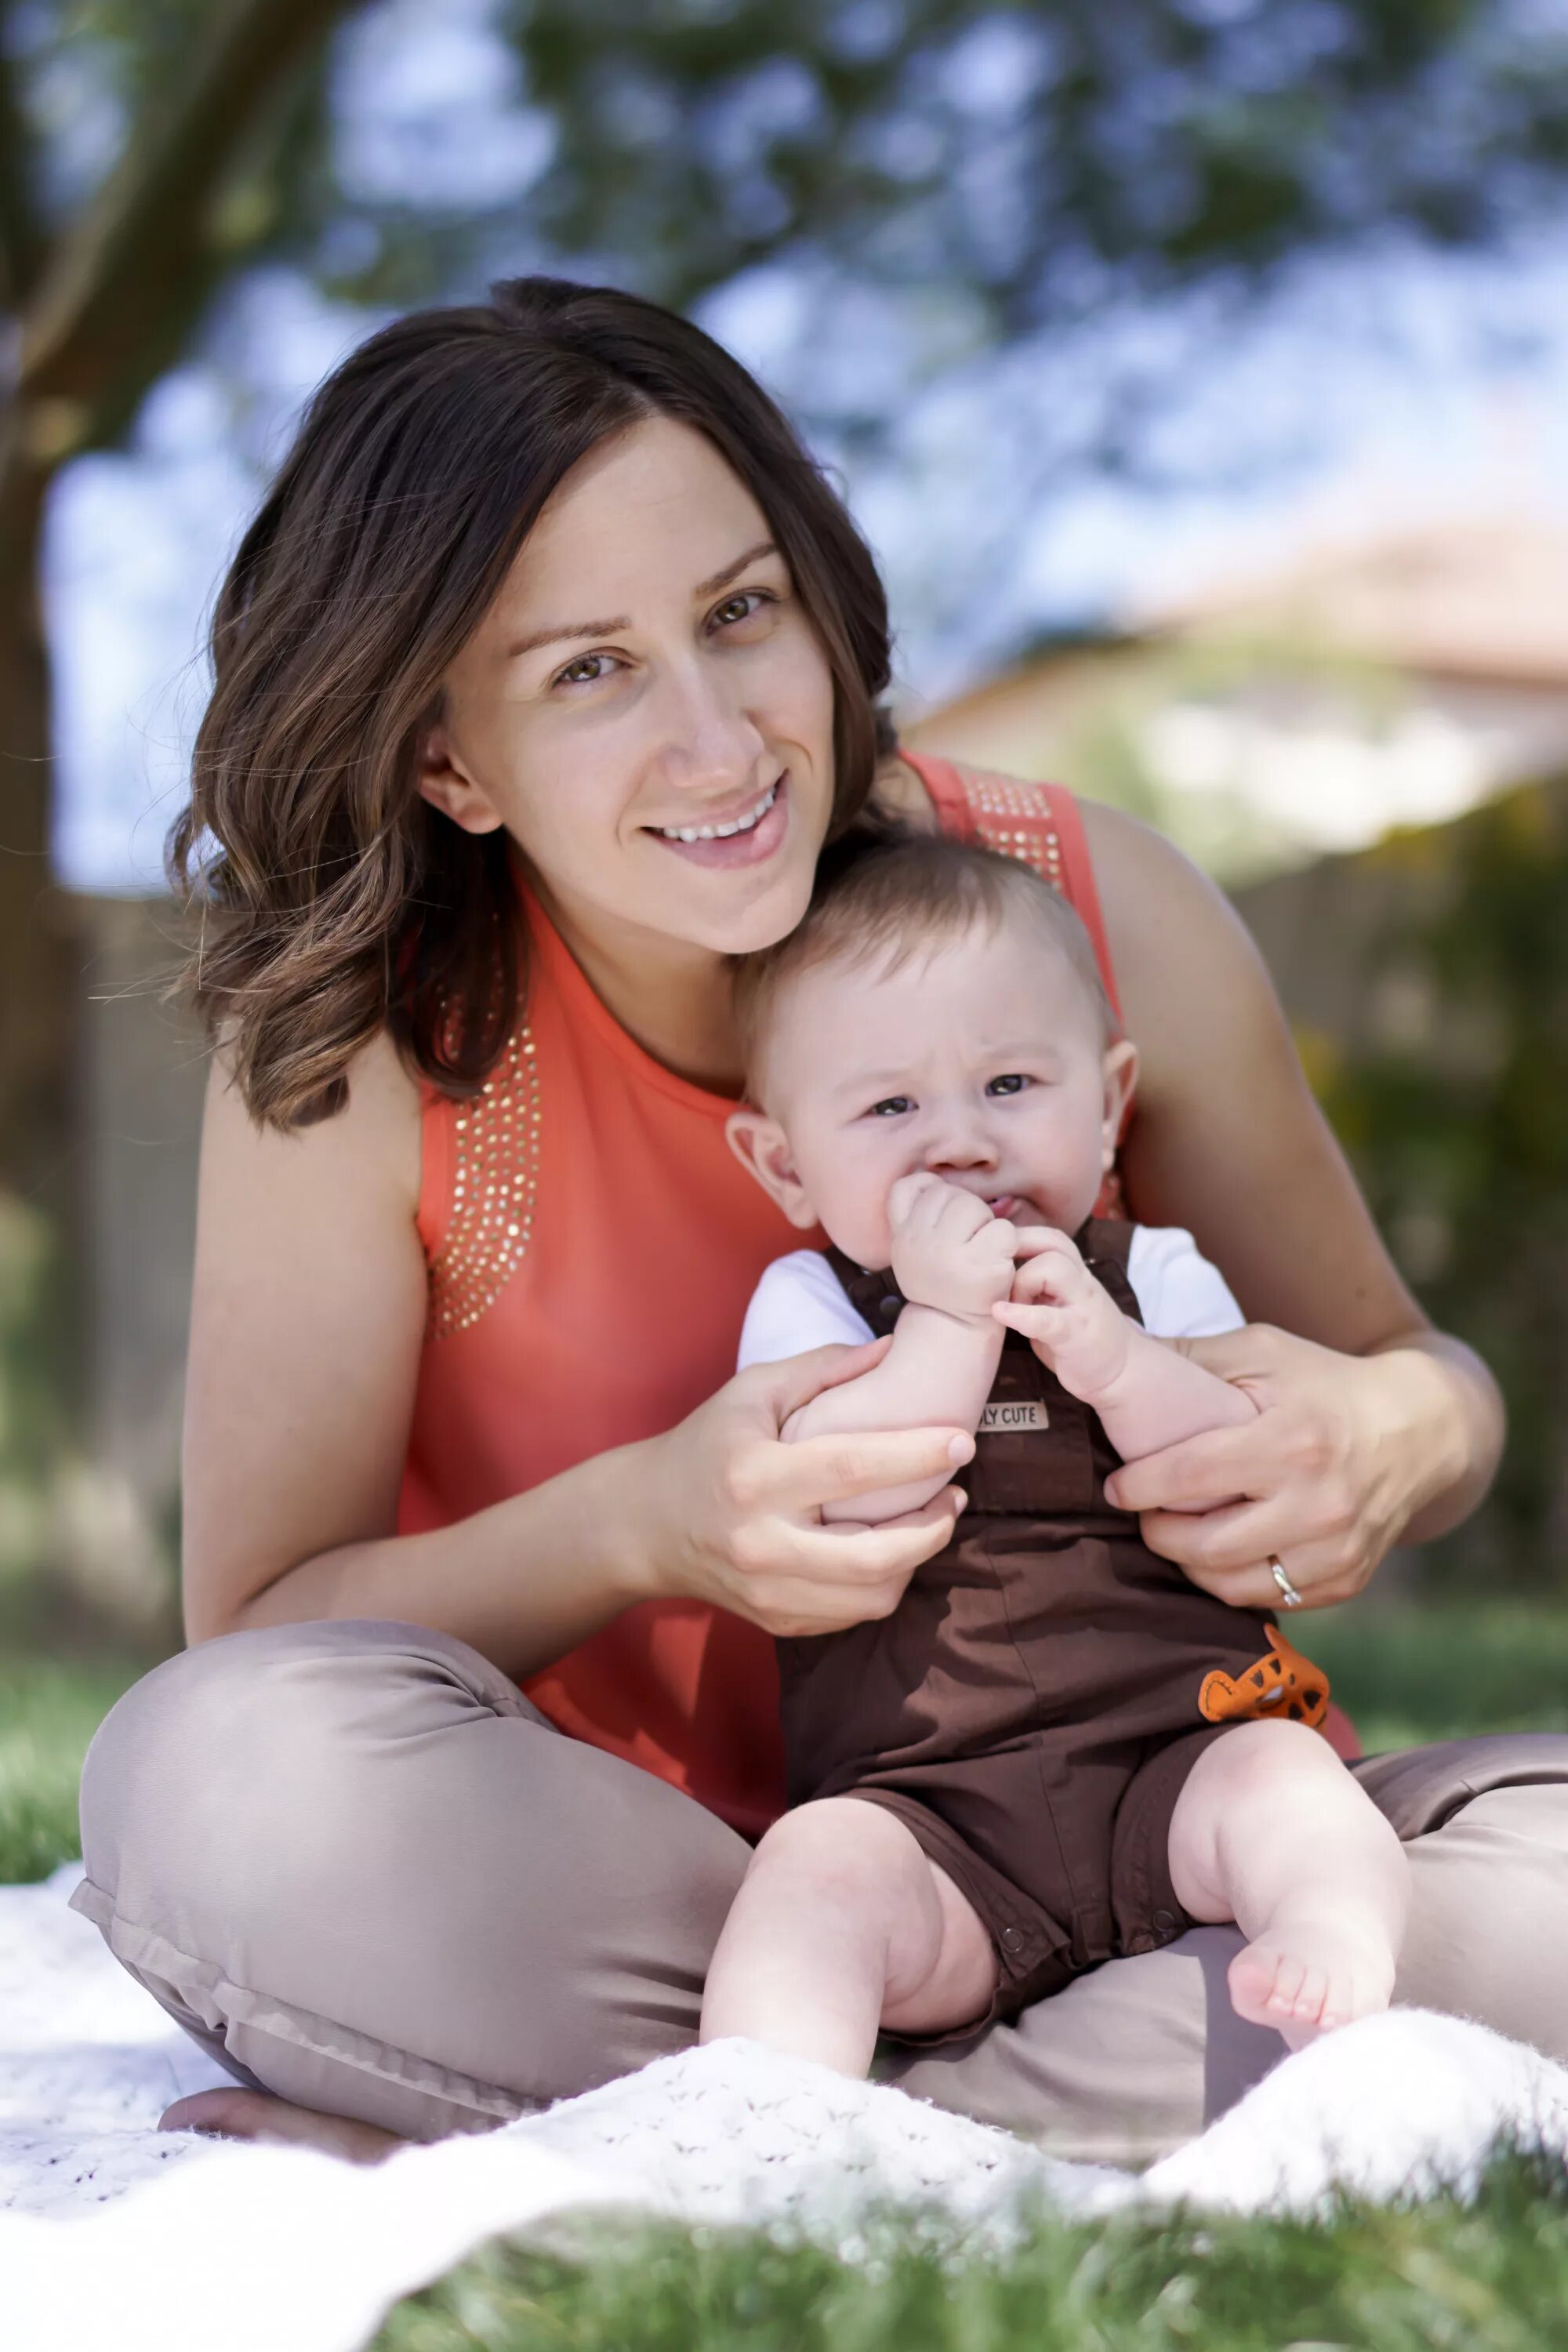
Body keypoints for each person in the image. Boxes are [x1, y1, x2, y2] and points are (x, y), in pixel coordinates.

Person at [71, 277, 1566, 2171]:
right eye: (585, 671)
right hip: (660, 1897)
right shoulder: (371, 1043)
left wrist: (1388, 1433)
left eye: (737, 612)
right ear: (449, 759)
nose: (719, 743)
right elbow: (264, 1634)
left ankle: (722, 2138)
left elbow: (1421, 1380)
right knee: (218, 1782)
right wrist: (643, 1523)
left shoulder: (1089, 909)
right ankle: (932, 2102)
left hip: (1170, 1835)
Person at [700, 832, 1409, 2073]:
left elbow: (1236, 1459)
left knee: (1292, 1782)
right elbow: (855, 1488)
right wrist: (948, 1322)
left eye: (1013, 1087)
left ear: (1110, 1101)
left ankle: (1337, 1964)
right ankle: (769, 2120)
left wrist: (1124, 1362)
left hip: (1177, 1759)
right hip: (933, 1816)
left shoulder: (1156, 1272)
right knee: (812, 1873)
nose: (963, 1143)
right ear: (785, 1164)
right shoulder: (805, 1305)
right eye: (890, 1107)